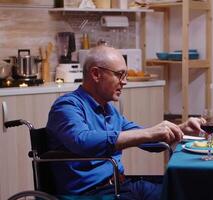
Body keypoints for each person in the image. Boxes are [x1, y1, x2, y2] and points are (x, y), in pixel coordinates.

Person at [46, 45, 204, 199]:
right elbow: (83, 141)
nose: (125, 82)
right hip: (91, 194)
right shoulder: (67, 106)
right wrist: (148, 133)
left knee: (186, 188)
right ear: (96, 74)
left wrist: (181, 129)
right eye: (119, 75)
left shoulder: (110, 110)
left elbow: (150, 143)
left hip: (120, 186)